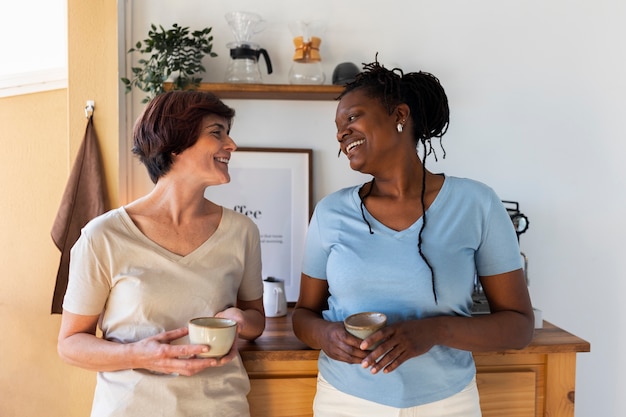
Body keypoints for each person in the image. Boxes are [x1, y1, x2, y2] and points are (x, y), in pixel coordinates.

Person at [292, 58, 535, 417]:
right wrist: (326, 337)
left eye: (352, 117)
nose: (342, 133)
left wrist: (434, 331)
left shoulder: (477, 204)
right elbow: (303, 315)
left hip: (448, 404)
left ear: (399, 115)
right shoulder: (330, 213)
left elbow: (518, 326)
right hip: (345, 402)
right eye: (338, 126)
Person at [57, 90, 265, 417]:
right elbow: (70, 345)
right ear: (174, 143)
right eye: (217, 133)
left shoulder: (242, 232)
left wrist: (242, 320)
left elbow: (256, 318)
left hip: (220, 408)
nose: (231, 145)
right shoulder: (104, 235)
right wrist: (140, 355)